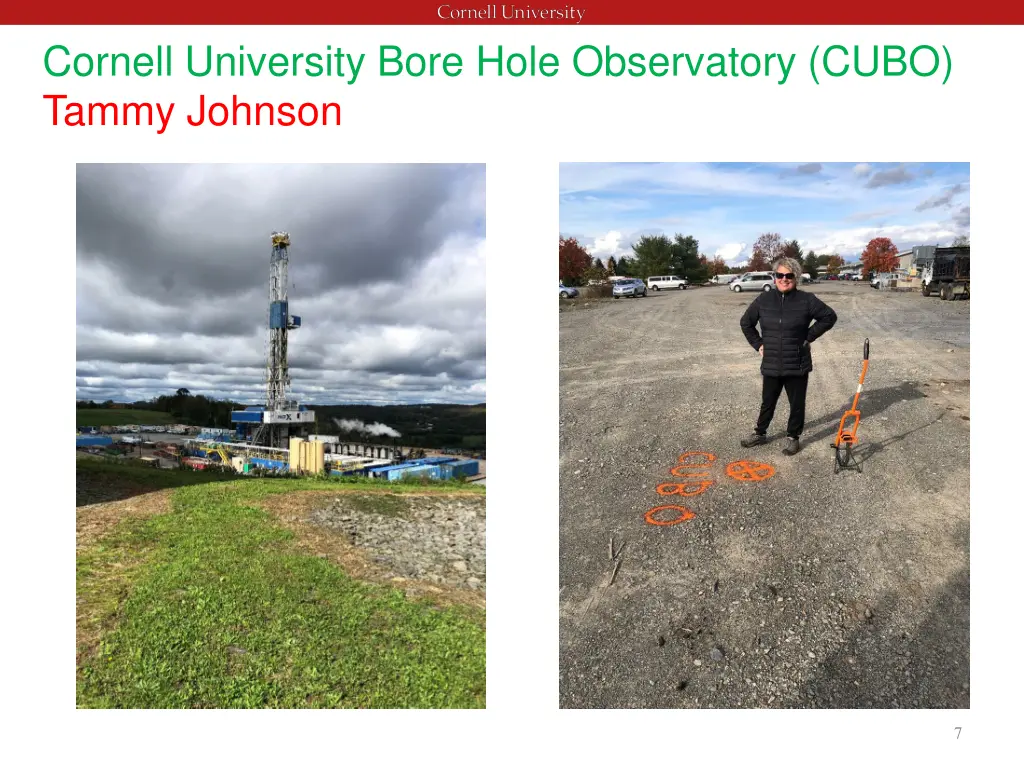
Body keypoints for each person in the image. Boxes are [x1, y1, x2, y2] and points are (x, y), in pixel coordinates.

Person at [739, 257, 837, 455]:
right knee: (768, 401)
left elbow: (829, 317)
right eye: (780, 275)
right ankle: (760, 433)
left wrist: (808, 336)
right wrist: (758, 345)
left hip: (797, 362)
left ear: (796, 278)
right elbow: (746, 323)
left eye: (789, 275)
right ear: (775, 277)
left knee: (797, 404)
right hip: (772, 362)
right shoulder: (764, 299)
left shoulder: (807, 300)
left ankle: (793, 437)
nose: (784, 279)